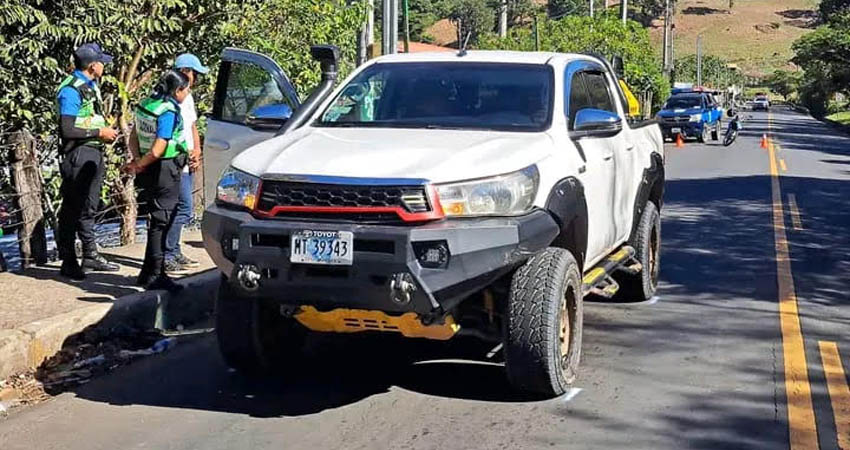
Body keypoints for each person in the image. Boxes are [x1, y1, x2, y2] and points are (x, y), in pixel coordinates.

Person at [55, 43, 120, 280]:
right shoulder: (71, 89)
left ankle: (90, 254)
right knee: (72, 208)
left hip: (93, 151)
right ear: (93, 66)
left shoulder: (91, 85)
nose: (104, 66)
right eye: (102, 62)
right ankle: (68, 260)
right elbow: (67, 129)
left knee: (90, 206)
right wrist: (99, 132)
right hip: (78, 153)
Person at [125, 70, 192, 292]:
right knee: (161, 222)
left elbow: (134, 136)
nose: (187, 93)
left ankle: (147, 272)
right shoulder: (167, 110)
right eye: (186, 89)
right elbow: (159, 147)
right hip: (165, 167)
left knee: (156, 220)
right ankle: (155, 274)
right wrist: (140, 163)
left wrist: (138, 160)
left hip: (151, 168)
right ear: (177, 90)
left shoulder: (147, 104)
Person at [163, 54, 208, 274]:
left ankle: (174, 250)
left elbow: (191, 126)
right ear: (185, 72)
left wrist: (197, 150)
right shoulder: (170, 100)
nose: (196, 78)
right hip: (176, 160)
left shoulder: (186, 97)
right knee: (184, 208)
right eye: (194, 73)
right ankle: (167, 254)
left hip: (187, 159)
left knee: (182, 208)